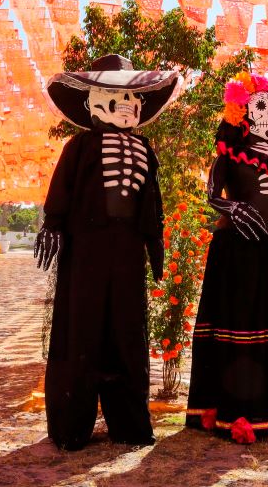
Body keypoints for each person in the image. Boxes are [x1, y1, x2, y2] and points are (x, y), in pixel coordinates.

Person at [34, 55, 183, 451]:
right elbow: (60, 192)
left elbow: (153, 202)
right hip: (86, 251)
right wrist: (52, 225)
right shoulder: (79, 146)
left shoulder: (146, 149)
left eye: (132, 95)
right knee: (80, 329)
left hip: (128, 251)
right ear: (94, 101)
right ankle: (71, 425)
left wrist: (155, 248)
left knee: (128, 332)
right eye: (117, 95)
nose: (128, 103)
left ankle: (130, 424)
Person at [185, 72, 268, 444]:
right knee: (242, 322)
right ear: (241, 113)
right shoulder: (229, 154)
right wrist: (232, 207)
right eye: (260, 107)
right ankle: (237, 410)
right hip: (238, 248)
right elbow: (211, 195)